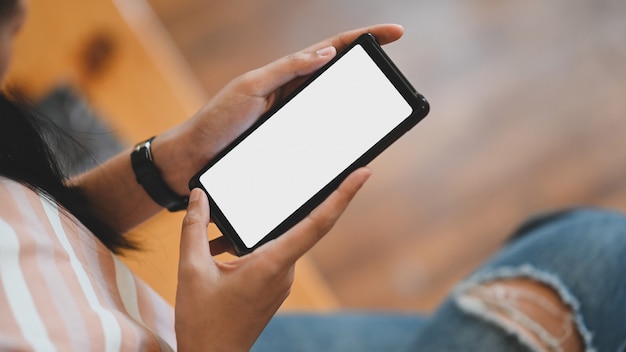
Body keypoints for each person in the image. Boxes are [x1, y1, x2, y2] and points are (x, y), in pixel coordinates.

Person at [0, 0, 624, 351]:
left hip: (175, 329)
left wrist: (171, 162)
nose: (22, 15)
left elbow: (41, 242)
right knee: (595, 254)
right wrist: (217, 343)